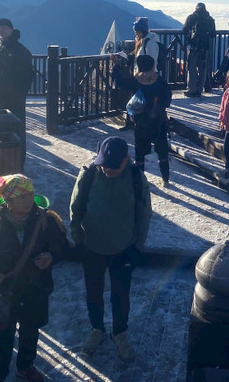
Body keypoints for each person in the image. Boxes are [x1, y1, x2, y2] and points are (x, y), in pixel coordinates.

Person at [0, 174, 68, 382]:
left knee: (30, 333)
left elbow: (63, 247)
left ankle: (25, 366)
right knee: (2, 339)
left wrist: (51, 257)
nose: (29, 200)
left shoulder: (46, 220)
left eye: (31, 194)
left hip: (35, 290)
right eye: (22, 196)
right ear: (9, 201)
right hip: (4, 295)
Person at [69, 136, 152, 361]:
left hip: (123, 248)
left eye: (114, 166)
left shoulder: (136, 178)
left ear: (127, 160)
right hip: (92, 247)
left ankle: (120, 332)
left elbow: (144, 213)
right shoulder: (88, 175)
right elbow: (75, 208)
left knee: (120, 294)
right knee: (93, 293)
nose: (109, 170)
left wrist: (138, 246)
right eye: (105, 165)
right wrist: (77, 237)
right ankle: (97, 329)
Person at [111, 54, 172, 184]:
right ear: (152, 66)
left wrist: (115, 66)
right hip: (159, 121)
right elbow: (167, 100)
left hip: (141, 122)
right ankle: (165, 179)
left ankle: (139, 181)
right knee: (162, 152)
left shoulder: (136, 81)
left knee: (139, 154)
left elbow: (119, 82)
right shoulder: (160, 81)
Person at [0, 18, 34, 167]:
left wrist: (15, 96)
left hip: (12, 101)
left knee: (15, 132)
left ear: (12, 29)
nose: (1, 30)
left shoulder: (19, 51)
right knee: (2, 132)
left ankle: (16, 164)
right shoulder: (1, 47)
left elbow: (23, 77)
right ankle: (5, 164)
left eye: (4, 27)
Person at [182, 2, 216, 98]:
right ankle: (200, 90)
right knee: (203, 69)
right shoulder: (209, 19)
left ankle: (191, 90)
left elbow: (184, 30)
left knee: (191, 68)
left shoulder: (191, 17)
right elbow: (213, 34)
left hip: (193, 47)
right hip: (205, 48)